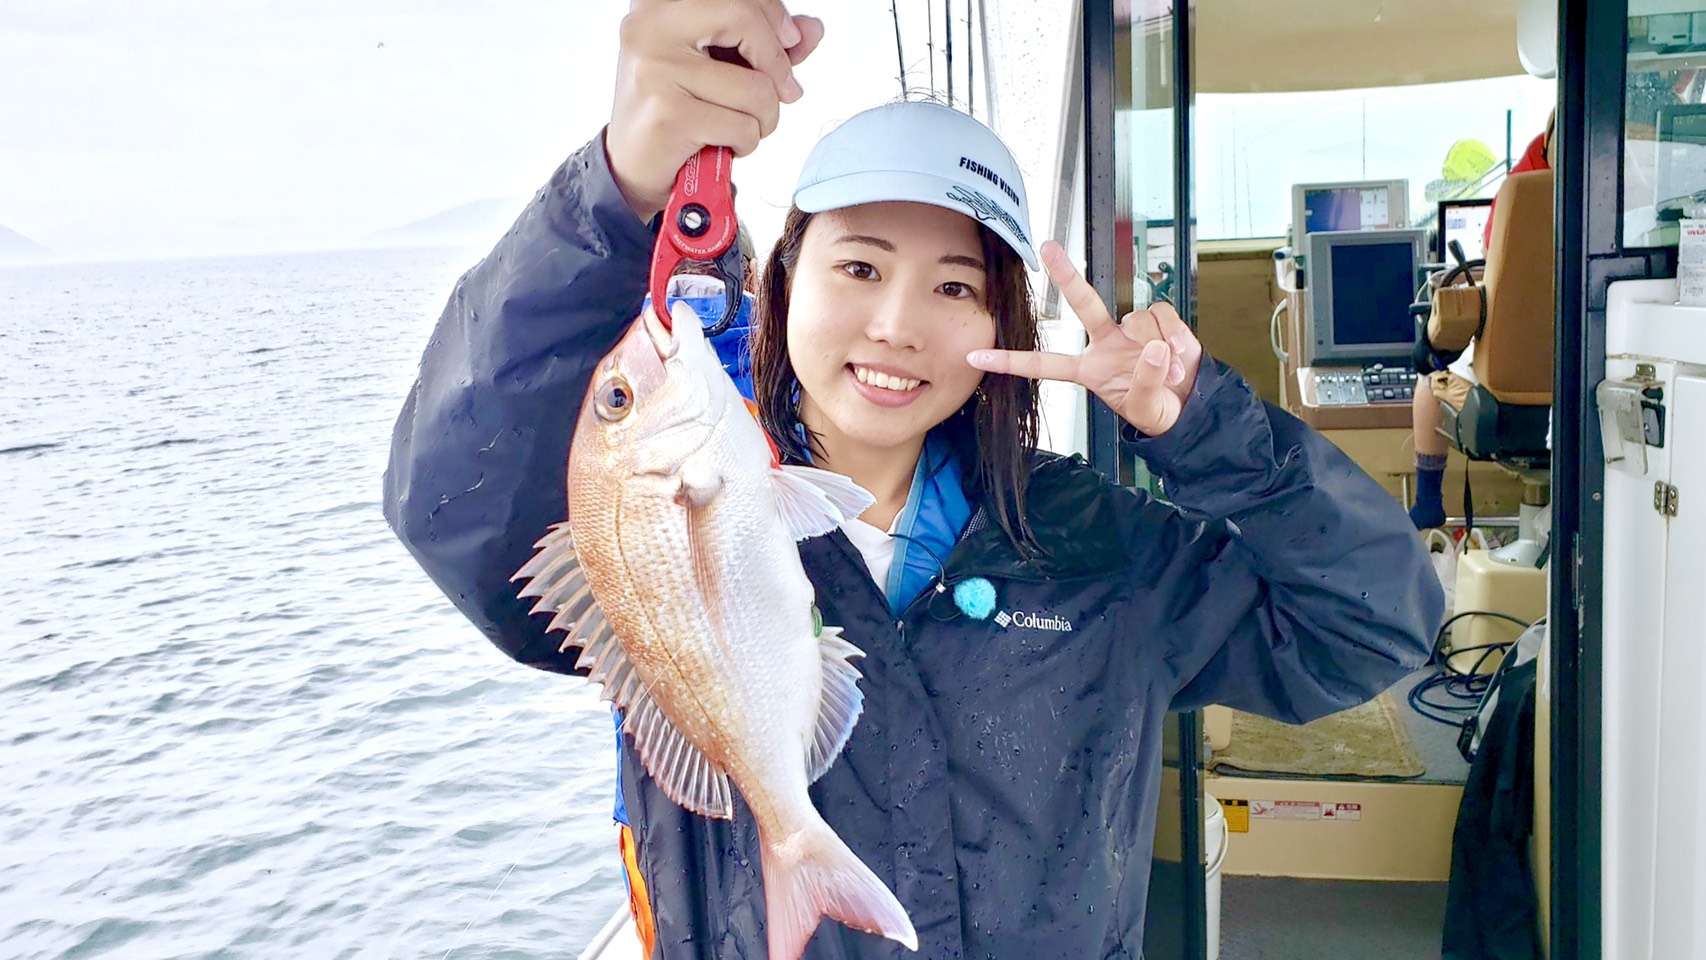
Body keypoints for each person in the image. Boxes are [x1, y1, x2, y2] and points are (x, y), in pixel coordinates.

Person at [382, 2, 1442, 956]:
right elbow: (454, 508)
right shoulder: (662, 521)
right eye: (857, 266)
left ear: (1001, 328)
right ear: (781, 284)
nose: (896, 323)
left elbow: (1370, 629)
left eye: (952, 284)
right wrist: (623, 186)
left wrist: (1203, 429)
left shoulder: (1099, 545)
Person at [1408, 112, 1554, 530]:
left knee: (1428, 381)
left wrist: (1433, 345)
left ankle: (1428, 504)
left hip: (1505, 398)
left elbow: (1482, 294)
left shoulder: (1521, 195)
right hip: (1579, 392)